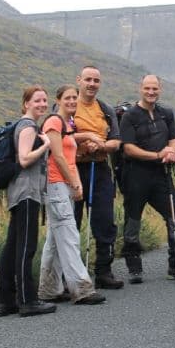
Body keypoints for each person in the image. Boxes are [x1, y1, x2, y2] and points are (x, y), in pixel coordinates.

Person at [119, 74, 175, 282]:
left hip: (161, 175)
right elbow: (128, 148)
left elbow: (174, 139)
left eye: (155, 88)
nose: (151, 92)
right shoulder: (130, 116)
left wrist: (172, 152)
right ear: (141, 88)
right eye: (147, 88)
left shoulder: (166, 113)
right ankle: (134, 267)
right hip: (136, 175)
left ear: (160, 89)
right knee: (132, 220)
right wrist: (157, 155)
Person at [37, 85, 106, 305]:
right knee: (69, 236)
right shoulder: (54, 122)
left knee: (55, 240)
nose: (72, 101)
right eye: (67, 98)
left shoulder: (67, 124)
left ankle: (48, 290)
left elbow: (70, 150)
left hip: (63, 185)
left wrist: (75, 185)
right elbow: (57, 156)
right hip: (56, 184)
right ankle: (82, 289)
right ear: (58, 100)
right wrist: (75, 182)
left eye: (74, 98)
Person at [0, 85, 55, 317]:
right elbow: (24, 158)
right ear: (26, 103)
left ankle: (5, 301)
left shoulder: (23, 126)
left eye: (44, 101)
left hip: (18, 193)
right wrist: (46, 146)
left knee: (12, 246)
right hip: (27, 193)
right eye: (37, 100)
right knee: (25, 247)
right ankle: (27, 301)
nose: (41, 104)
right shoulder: (28, 126)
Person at [72, 65, 124, 289]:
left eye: (96, 80)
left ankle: (103, 270)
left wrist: (101, 145)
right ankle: (71, 273)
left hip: (100, 168)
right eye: (88, 80)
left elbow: (116, 140)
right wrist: (86, 142)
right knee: (72, 222)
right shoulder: (69, 105)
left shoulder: (105, 109)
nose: (92, 84)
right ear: (79, 81)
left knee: (104, 220)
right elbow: (60, 134)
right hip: (74, 170)